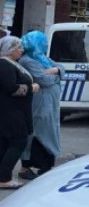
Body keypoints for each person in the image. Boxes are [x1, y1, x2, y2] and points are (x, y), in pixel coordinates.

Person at [17, 31, 64, 180]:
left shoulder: (42, 58)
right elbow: (43, 80)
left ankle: (45, 165)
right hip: (40, 103)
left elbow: (61, 68)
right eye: (43, 43)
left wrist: (56, 70)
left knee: (49, 131)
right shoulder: (27, 61)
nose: (46, 45)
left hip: (49, 103)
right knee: (38, 133)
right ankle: (30, 166)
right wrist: (57, 76)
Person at [0, 36, 39, 189]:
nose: (21, 50)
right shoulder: (5, 65)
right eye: (18, 48)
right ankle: (4, 178)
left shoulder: (10, 63)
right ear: (10, 49)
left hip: (13, 111)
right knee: (18, 141)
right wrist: (31, 88)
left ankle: (4, 176)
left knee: (5, 143)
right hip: (11, 112)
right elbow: (11, 88)